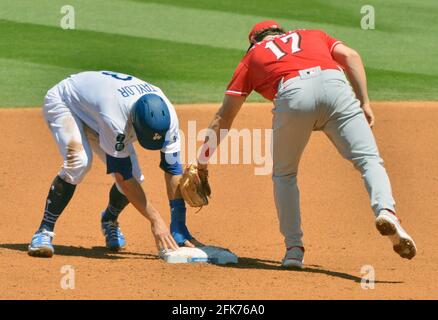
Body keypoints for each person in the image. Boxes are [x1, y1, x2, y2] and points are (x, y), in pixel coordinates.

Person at [196, 21, 417, 269]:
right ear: (282, 32)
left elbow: (223, 117)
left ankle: (294, 250)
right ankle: (386, 211)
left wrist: (202, 162)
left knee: (285, 175)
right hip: (336, 86)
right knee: (369, 161)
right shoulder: (313, 34)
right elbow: (351, 56)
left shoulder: (253, 55)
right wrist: (364, 101)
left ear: (254, 41)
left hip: (294, 93)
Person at [28, 70, 198, 258]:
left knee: (136, 177)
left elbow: (172, 168)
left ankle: (109, 219)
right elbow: (122, 177)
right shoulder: (115, 118)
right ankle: (44, 231)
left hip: (97, 108)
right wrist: (156, 221)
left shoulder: (169, 118)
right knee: (79, 162)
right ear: (134, 122)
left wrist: (178, 225)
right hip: (67, 102)